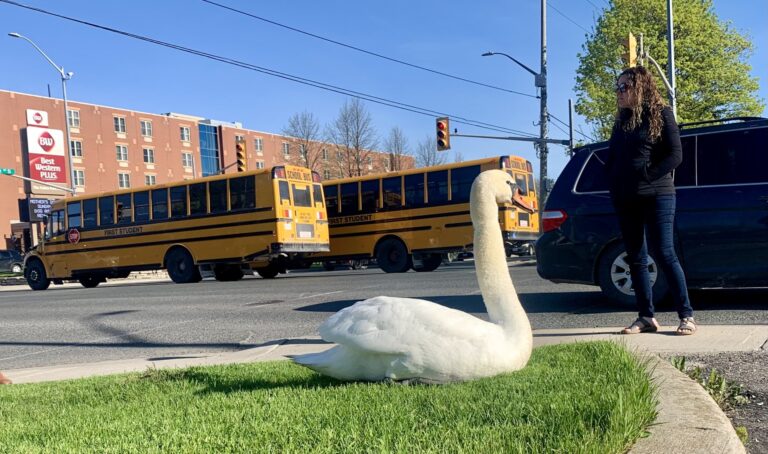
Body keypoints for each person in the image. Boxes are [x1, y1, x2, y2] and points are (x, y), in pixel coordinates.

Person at [605, 66, 696, 336]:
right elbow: (612, 157)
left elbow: (675, 155)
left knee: (664, 252)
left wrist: (648, 175)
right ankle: (646, 317)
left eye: (624, 87)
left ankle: (686, 315)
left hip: (658, 194)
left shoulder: (661, 114)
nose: (619, 93)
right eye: (617, 87)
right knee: (636, 257)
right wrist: (613, 183)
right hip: (626, 198)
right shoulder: (622, 120)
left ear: (640, 87)